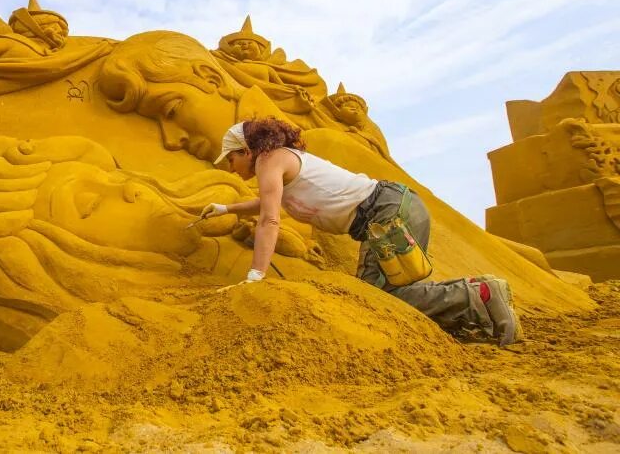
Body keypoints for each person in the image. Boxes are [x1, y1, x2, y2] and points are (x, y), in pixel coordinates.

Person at [200, 117, 522, 347]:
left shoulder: (269, 160)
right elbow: (266, 203)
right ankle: (480, 301)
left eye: (231, 159)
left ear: (246, 150)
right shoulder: (278, 165)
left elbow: (270, 220)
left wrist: (255, 275)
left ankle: (480, 295)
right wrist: (225, 209)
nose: (230, 168)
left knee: (376, 297)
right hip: (394, 208)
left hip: (384, 212)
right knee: (394, 293)